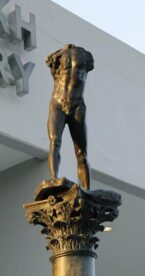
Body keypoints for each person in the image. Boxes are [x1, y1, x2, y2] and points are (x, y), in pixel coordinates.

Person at [46, 44, 94, 189]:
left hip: (77, 105)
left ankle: (87, 190)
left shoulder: (87, 56)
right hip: (58, 102)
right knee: (55, 141)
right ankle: (54, 178)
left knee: (81, 153)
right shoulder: (57, 56)